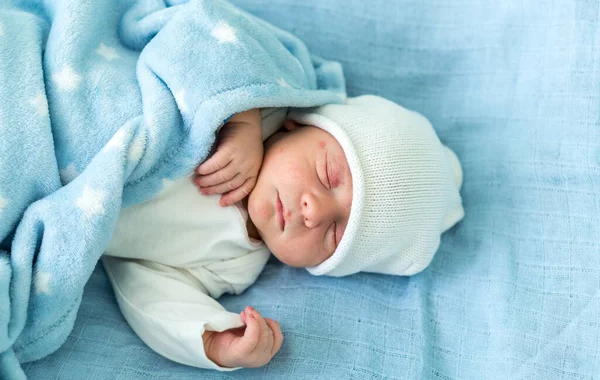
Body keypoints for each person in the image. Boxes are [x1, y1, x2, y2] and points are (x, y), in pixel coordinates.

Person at [101, 95, 465, 371]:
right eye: (327, 175)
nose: (315, 211)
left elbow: (147, 289)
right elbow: (206, 46)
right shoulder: (258, 107)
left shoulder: (233, 264)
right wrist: (242, 115)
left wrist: (214, 342)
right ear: (298, 126)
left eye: (335, 235)